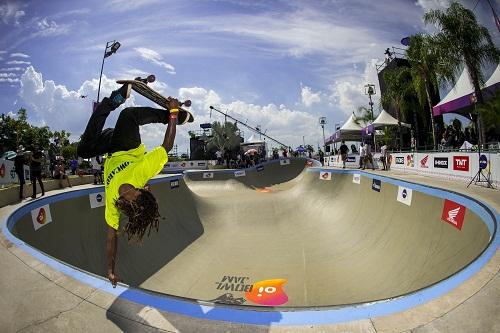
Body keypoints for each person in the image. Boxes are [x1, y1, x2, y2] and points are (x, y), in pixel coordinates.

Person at [77, 83, 180, 288]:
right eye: (134, 192)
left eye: (126, 197)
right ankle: (117, 99)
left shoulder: (114, 206)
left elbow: (111, 238)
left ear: (126, 205)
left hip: (110, 146)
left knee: (83, 149)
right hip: (128, 145)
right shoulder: (142, 173)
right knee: (128, 115)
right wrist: (173, 115)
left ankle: (112, 107)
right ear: (141, 190)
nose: (126, 192)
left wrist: (110, 270)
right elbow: (166, 146)